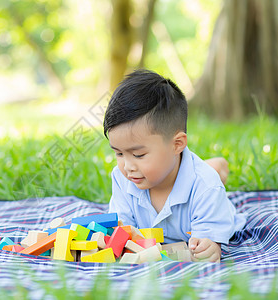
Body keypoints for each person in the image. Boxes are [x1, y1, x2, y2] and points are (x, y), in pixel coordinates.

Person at [103, 69, 246, 262]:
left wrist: (209, 247)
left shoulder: (205, 186)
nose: (127, 166)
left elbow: (210, 245)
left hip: (210, 196)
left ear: (177, 144)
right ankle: (212, 165)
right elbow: (122, 229)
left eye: (138, 154)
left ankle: (216, 167)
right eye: (119, 153)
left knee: (208, 176)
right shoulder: (122, 178)